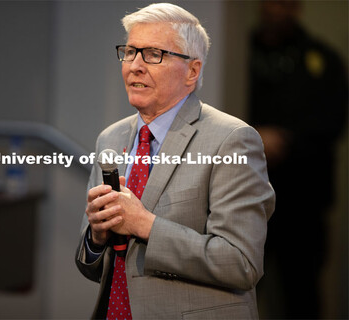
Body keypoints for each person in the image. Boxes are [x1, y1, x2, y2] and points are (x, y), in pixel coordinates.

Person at [75, 3, 275, 319]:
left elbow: (241, 263)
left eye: (153, 54)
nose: (135, 65)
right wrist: (96, 238)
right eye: (129, 52)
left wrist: (145, 225)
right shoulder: (109, 139)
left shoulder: (233, 139)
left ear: (192, 71)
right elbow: (97, 269)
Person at [248, 1, 348, 318]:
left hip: (304, 197)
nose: (280, 11)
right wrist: (252, 138)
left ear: (298, 8)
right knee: (235, 288)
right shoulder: (236, 52)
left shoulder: (323, 59)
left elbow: (333, 121)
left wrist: (285, 140)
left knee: (302, 294)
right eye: (274, 2)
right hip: (245, 193)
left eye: (288, 4)